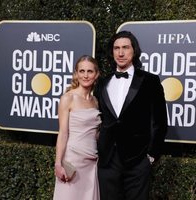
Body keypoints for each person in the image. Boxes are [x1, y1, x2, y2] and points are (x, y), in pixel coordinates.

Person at [94, 31, 168, 200]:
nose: (120, 53)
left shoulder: (150, 81)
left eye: (125, 48)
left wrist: (150, 157)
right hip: (108, 162)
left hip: (138, 161)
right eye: (116, 48)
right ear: (112, 52)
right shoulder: (103, 83)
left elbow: (160, 122)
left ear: (134, 50)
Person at [53, 55, 101, 200]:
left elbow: (95, 133)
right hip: (72, 161)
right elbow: (63, 133)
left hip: (92, 162)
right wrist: (58, 163)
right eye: (81, 71)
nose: (85, 75)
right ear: (76, 74)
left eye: (90, 71)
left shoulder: (96, 101)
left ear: (96, 74)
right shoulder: (68, 98)